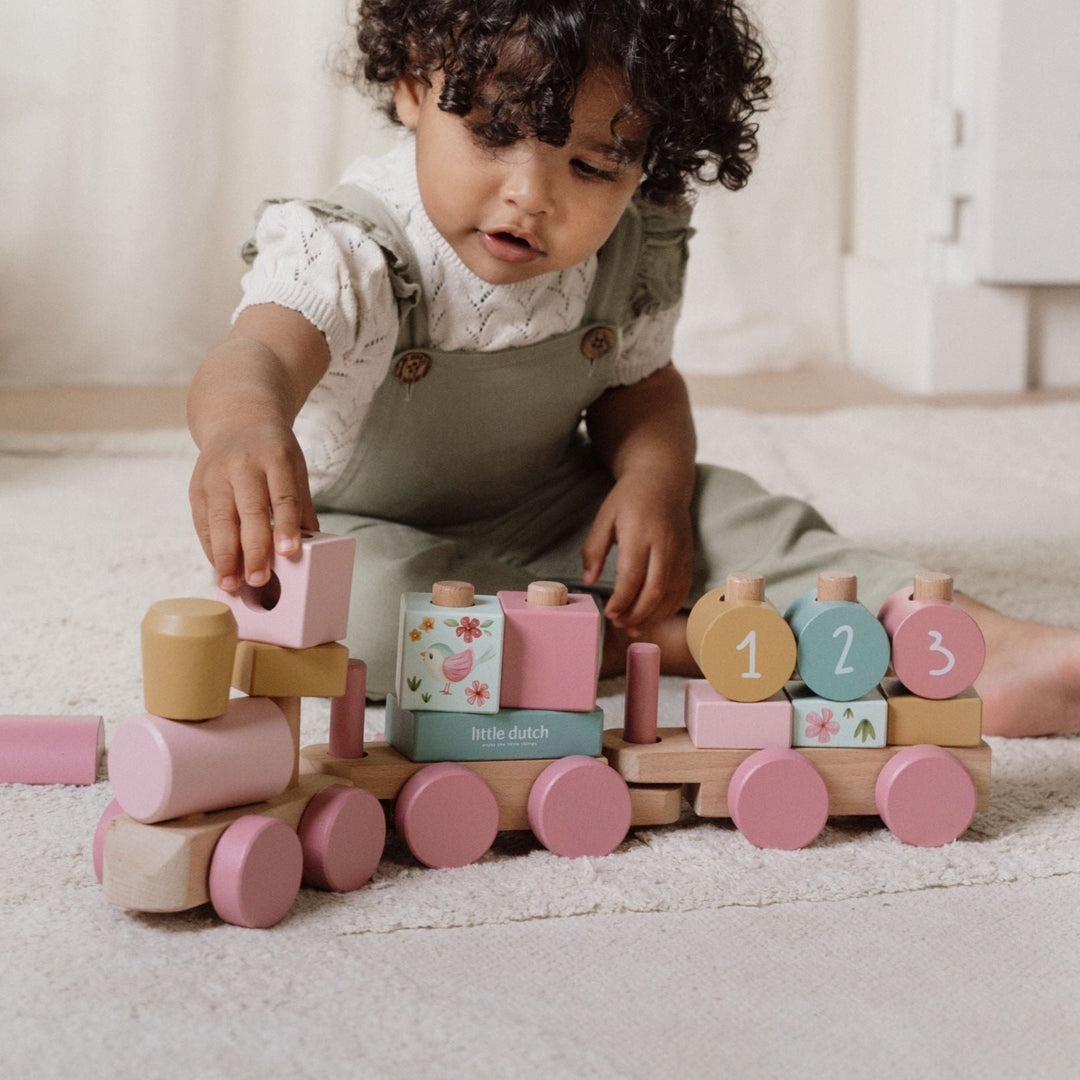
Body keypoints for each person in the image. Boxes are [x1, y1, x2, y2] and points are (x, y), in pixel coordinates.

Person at [187, 0, 1080, 737]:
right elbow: (259, 353)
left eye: (591, 164)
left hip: (558, 509)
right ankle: (660, 642)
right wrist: (242, 429)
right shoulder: (350, 249)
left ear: (648, 159)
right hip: (366, 530)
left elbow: (640, 387)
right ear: (416, 84)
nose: (532, 194)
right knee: (375, 619)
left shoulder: (630, 247)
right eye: (496, 133)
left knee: (740, 519)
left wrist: (653, 482)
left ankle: (968, 645)